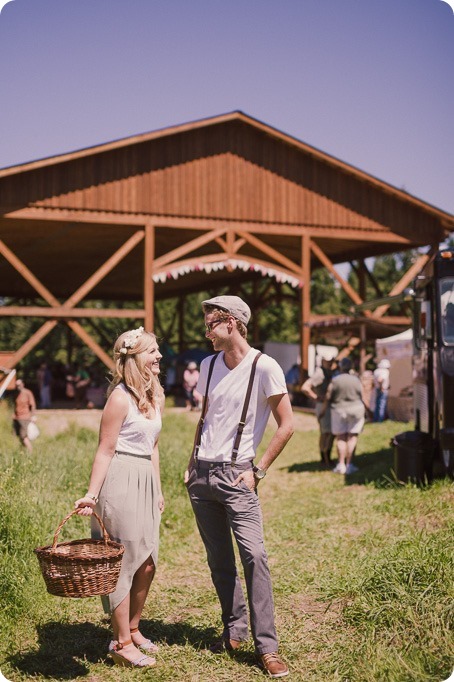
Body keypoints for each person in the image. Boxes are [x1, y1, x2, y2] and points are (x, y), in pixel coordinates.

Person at [184, 295, 294, 679]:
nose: (206, 332)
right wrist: (190, 464)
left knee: (255, 557)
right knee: (219, 561)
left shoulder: (266, 366)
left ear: (230, 322)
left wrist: (258, 471)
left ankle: (268, 647)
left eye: (211, 324)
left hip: (238, 474)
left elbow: (287, 425)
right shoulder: (207, 363)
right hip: (201, 475)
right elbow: (205, 417)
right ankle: (234, 629)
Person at [74, 327, 165, 668]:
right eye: (153, 351)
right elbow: (105, 449)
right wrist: (91, 494)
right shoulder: (119, 398)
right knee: (123, 563)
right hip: (120, 480)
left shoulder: (157, 396)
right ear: (135, 358)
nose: (159, 357)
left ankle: (133, 626)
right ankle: (121, 642)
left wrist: (158, 489)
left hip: (144, 479)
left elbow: (153, 447)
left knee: (149, 560)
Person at [320, 357, 365, 475]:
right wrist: (369, 411)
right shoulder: (356, 379)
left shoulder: (335, 380)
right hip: (356, 410)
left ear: (340, 367)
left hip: (338, 411)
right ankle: (349, 464)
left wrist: (323, 411)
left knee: (341, 438)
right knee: (352, 437)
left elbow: (328, 396)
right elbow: (363, 396)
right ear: (351, 367)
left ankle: (341, 464)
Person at [301, 356, 336, 468]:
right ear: (322, 361)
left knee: (329, 433)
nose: (330, 362)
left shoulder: (328, 372)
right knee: (326, 434)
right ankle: (324, 460)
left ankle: (326, 459)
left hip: (328, 406)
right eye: (328, 360)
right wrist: (316, 397)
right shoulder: (320, 374)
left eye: (331, 360)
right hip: (323, 406)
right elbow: (305, 387)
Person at [13, 378, 37, 452]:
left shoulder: (27, 393)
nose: (18, 387)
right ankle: (23, 451)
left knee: (23, 436)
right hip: (17, 418)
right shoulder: (16, 394)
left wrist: (33, 416)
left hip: (25, 418)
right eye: (16, 385)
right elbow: (15, 406)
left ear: (23, 384)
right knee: (19, 436)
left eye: (19, 385)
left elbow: (32, 405)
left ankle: (31, 451)